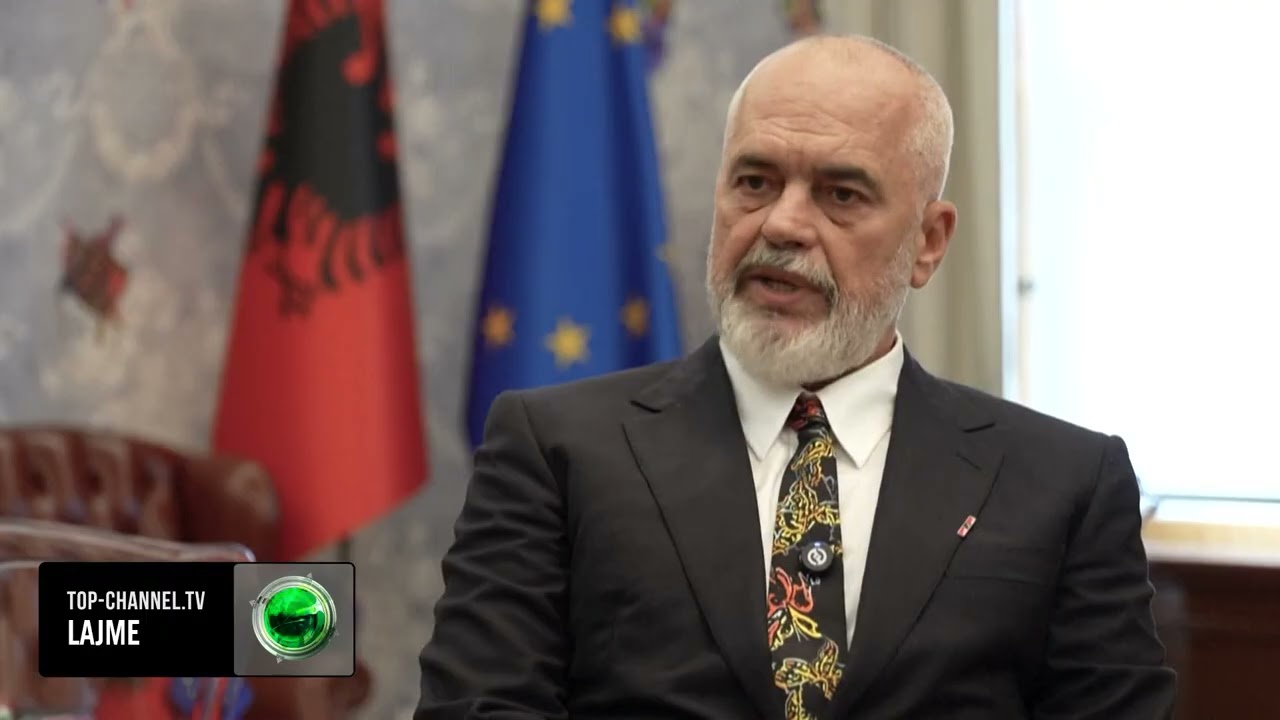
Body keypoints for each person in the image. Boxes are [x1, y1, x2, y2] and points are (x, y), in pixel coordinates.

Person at [415, 34, 1177, 719]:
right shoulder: (557, 449)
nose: (781, 224)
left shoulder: (1064, 483)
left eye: (842, 194)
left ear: (928, 241)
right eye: (755, 182)